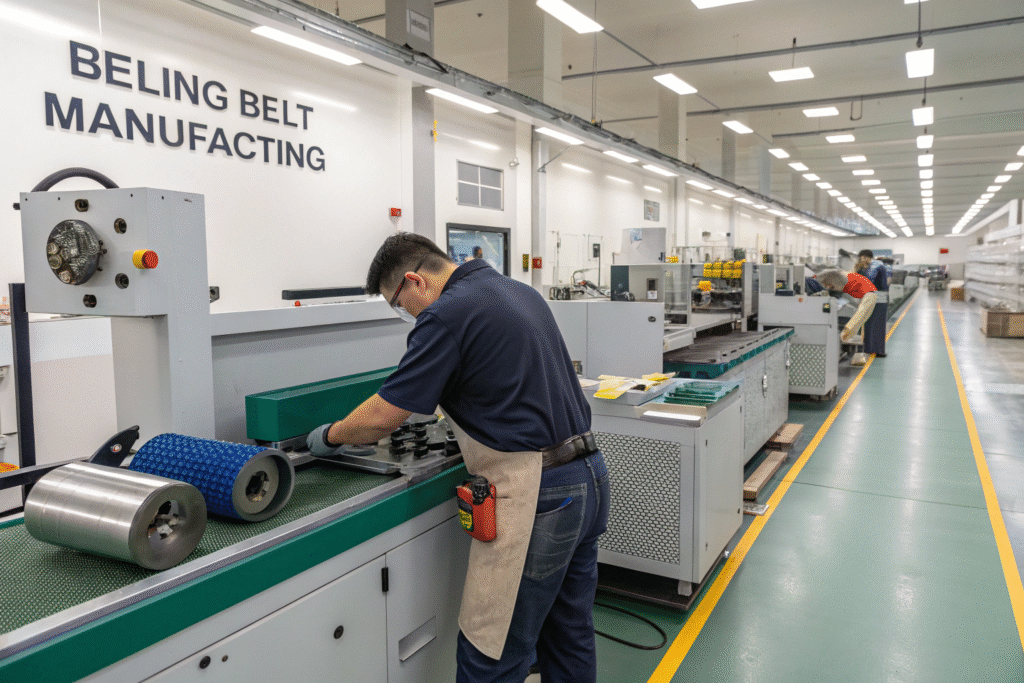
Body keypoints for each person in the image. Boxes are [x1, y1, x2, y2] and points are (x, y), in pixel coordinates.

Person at [306, 232, 610, 683]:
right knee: (568, 635)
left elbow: (384, 417)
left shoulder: (446, 314)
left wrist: (328, 437)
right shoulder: (518, 291)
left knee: (491, 649)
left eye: (398, 303)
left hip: (537, 495)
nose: (406, 314)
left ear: (415, 281)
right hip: (588, 476)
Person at [816, 268, 878, 343]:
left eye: (831, 287)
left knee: (860, 316)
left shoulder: (845, 281)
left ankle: (845, 335)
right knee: (862, 319)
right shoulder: (842, 279)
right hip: (864, 294)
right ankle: (847, 335)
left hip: (870, 295)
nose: (829, 288)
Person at [855, 250, 892, 357]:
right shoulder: (879, 267)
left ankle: (869, 348)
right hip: (879, 299)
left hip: (871, 299)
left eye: (861, 258)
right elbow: (884, 285)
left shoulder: (864, 269)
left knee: (869, 324)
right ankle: (877, 350)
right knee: (877, 325)